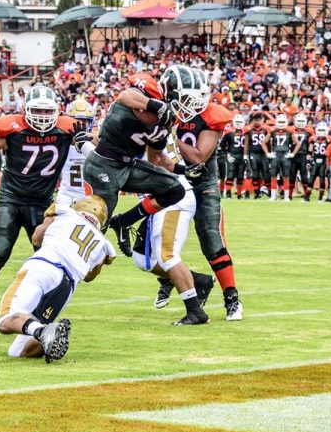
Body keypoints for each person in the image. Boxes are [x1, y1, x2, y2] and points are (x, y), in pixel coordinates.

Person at [0, 86, 76, 319]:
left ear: (57, 112)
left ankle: (44, 304)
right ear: (26, 110)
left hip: (42, 202)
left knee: (48, 254)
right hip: (11, 198)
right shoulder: (14, 131)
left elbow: (97, 143)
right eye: (37, 110)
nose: (42, 116)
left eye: (47, 111)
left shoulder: (66, 130)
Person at [161, 66, 244, 321]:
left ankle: (232, 299)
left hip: (203, 183)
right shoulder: (162, 110)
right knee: (159, 243)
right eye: (186, 98)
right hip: (172, 181)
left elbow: (199, 156)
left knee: (211, 238)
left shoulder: (211, 115)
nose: (193, 104)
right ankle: (177, 281)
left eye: (197, 97)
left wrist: (171, 134)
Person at [0, 195, 114, 362]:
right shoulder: (103, 244)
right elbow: (89, 276)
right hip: (65, 288)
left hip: (44, 267)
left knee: (5, 321)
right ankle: (48, 332)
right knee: (18, 351)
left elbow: (36, 238)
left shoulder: (64, 212)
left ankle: (43, 332)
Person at [81, 70, 182, 257]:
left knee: (175, 190)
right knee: (97, 228)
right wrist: (157, 105)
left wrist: (186, 170)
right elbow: (126, 95)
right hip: (103, 165)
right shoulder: (143, 97)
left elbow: (157, 159)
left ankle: (123, 221)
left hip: (128, 167)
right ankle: (73, 264)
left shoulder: (164, 124)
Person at [131, 133, 213, 324]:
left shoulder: (143, 130)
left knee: (167, 255)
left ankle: (195, 311)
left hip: (171, 198)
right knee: (143, 259)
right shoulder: (152, 128)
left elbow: (161, 161)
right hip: (159, 198)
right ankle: (199, 281)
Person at [56, 99, 95, 207]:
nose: (81, 126)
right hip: (66, 197)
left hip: (90, 199)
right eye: (77, 121)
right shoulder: (61, 143)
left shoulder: (96, 143)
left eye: (84, 122)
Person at [264, 113, 294, 202]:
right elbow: (263, 143)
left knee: (286, 176)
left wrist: (292, 153)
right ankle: (273, 196)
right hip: (276, 154)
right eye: (279, 121)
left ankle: (286, 197)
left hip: (284, 154)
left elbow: (297, 144)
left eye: (282, 121)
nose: (281, 123)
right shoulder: (272, 131)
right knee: (273, 176)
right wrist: (267, 153)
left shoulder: (289, 132)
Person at [289, 112, 313, 202]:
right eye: (298, 121)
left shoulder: (309, 131)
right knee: (292, 176)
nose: (300, 123)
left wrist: (309, 155)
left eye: (302, 121)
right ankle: (289, 196)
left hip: (303, 155)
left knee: (304, 177)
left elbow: (311, 144)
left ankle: (306, 196)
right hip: (293, 156)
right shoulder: (291, 129)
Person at [248, 112, 271, 199]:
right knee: (255, 174)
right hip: (253, 153)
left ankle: (269, 191)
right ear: (253, 121)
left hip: (263, 154)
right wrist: (246, 154)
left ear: (262, 120)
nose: (257, 122)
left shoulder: (266, 129)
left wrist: (269, 152)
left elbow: (269, 143)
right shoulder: (249, 130)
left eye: (258, 120)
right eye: (255, 120)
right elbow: (247, 143)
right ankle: (256, 192)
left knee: (266, 173)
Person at [226, 114, 248, 199]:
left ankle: (239, 194)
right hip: (232, 155)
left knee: (240, 176)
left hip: (242, 156)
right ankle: (228, 193)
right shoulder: (230, 132)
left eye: (240, 122)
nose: (238, 124)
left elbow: (248, 145)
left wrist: (246, 156)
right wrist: (227, 154)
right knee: (230, 174)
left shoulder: (246, 132)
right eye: (237, 122)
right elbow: (223, 144)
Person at [310, 122, 330, 202]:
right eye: (320, 130)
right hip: (315, 161)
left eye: (323, 130)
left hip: (324, 162)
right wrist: (309, 161)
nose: (321, 132)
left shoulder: (329, 139)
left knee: (322, 179)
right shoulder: (313, 139)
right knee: (311, 179)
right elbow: (310, 150)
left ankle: (320, 197)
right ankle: (306, 197)